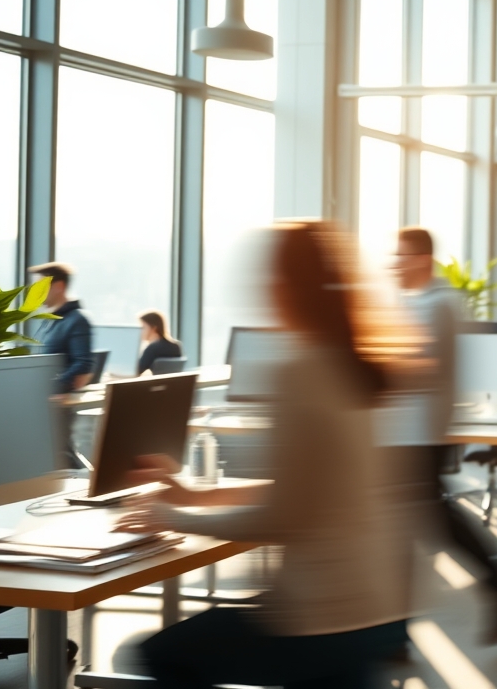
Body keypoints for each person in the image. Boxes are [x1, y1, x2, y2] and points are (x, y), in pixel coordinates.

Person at [117, 222, 416, 689]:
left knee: (160, 655)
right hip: (379, 606)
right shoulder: (355, 362)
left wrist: (169, 515)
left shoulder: (299, 369)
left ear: (286, 287)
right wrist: (194, 497)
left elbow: (282, 517)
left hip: (319, 616)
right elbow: (311, 490)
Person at [392, 226, 497, 643]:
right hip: (402, 432)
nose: (395, 264)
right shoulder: (419, 301)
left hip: (418, 434)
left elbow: (424, 365)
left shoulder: (440, 303)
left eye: (402, 256)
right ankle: (395, 634)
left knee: (432, 524)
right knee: (407, 529)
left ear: (422, 259)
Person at [28, 262, 94, 393]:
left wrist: (52, 387)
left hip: (54, 401)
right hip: (37, 397)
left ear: (58, 286)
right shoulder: (48, 320)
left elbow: (83, 364)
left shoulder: (77, 319)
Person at [136, 310, 183, 376]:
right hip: (172, 385)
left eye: (143, 328)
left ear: (154, 328)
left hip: (155, 385)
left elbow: (136, 371)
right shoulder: (176, 346)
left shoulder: (152, 349)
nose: (139, 331)